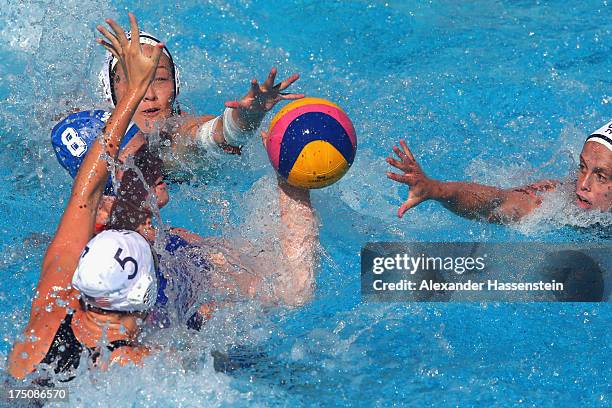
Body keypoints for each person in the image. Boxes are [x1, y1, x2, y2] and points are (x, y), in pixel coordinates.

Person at [9, 15, 164, 382]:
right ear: (146, 292)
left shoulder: (47, 315)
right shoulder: (142, 367)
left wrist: (129, 96)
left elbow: (85, 191)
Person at [386, 120, 612, 223]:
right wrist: (435, 189)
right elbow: (499, 202)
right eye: (582, 167)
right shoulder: (561, 198)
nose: (583, 184)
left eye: (601, 176)